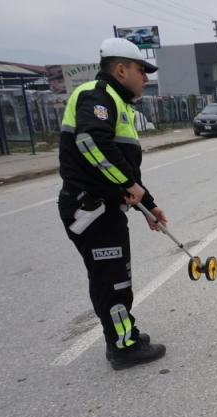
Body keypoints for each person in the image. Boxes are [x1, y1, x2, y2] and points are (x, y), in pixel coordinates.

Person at [57, 38, 168, 370]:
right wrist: (127, 185)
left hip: (102, 207)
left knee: (115, 276)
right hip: (90, 209)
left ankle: (124, 332)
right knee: (112, 280)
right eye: (141, 70)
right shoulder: (97, 96)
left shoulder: (117, 104)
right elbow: (91, 144)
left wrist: (148, 204)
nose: (146, 78)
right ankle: (123, 346)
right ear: (121, 70)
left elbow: (120, 164)